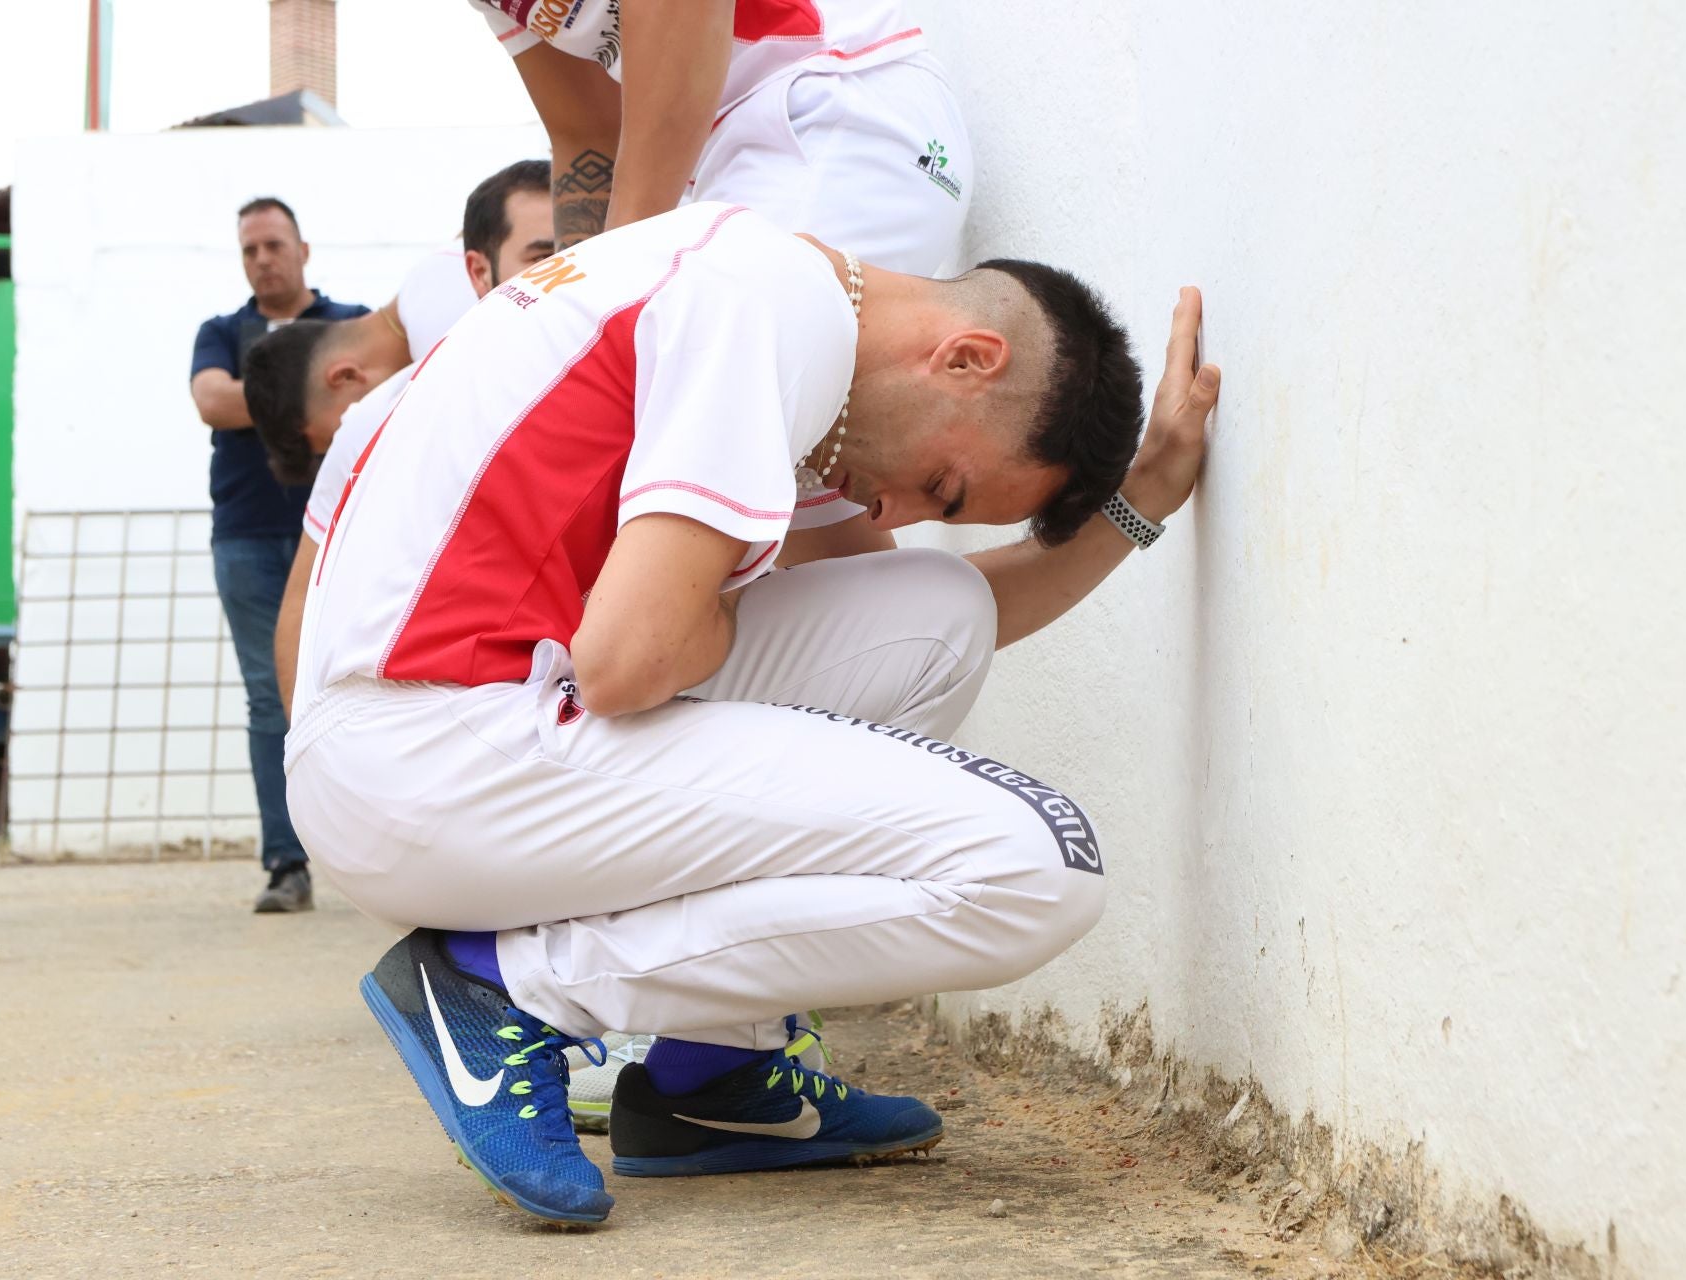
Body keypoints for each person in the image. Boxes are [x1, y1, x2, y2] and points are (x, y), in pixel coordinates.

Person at [283, 200, 1221, 1222]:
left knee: (936, 616)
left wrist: (1139, 502)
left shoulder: (759, 283)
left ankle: (712, 1078)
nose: (894, 511)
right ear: (965, 359)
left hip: (436, 730)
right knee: (1037, 872)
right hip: (433, 750)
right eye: (943, 486)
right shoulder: (767, 309)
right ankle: (514, 983)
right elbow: (629, 660)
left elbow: (888, 631)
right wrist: (694, 611)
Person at [464, 0, 972, 269]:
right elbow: (588, 133)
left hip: (826, 103)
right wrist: (580, 293)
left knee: (711, 384)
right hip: (728, 157)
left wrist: (618, 277)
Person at [189, 197, 367, 914]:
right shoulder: (220, 331)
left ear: (303, 249)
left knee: (368, 687)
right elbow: (211, 402)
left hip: (346, 536)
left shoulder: (349, 321)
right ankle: (286, 863)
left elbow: (375, 396)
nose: (262, 259)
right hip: (248, 539)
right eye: (249, 250)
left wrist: (254, 396)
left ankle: (374, 856)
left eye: (273, 245)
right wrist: (308, 388)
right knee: (270, 697)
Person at [242, 159, 557, 493]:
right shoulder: (428, 280)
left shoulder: (438, 343)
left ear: (345, 376)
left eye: (344, 434)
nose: (364, 444)